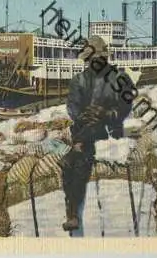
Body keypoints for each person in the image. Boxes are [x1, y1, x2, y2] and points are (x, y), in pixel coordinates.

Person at [61, 35, 134, 232]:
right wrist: (85, 116)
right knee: (70, 160)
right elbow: (73, 108)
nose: (96, 63)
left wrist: (107, 114)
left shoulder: (120, 78)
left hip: (109, 130)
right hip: (86, 129)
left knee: (80, 156)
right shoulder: (78, 81)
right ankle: (72, 212)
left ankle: (73, 212)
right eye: (92, 60)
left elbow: (126, 105)